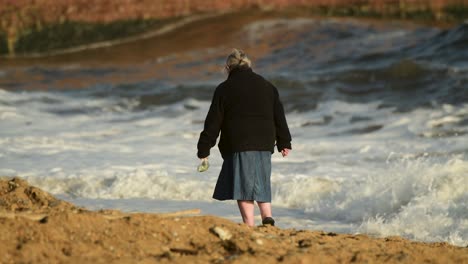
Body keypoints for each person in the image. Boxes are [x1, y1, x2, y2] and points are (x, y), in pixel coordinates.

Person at [197, 49, 292, 227]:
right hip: (264, 142)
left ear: (227, 67)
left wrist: (204, 148)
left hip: (239, 142)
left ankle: (249, 224)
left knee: (243, 186)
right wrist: (284, 142)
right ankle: (267, 217)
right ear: (249, 65)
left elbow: (213, 122)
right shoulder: (267, 86)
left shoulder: (224, 89)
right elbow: (279, 116)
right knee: (261, 180)